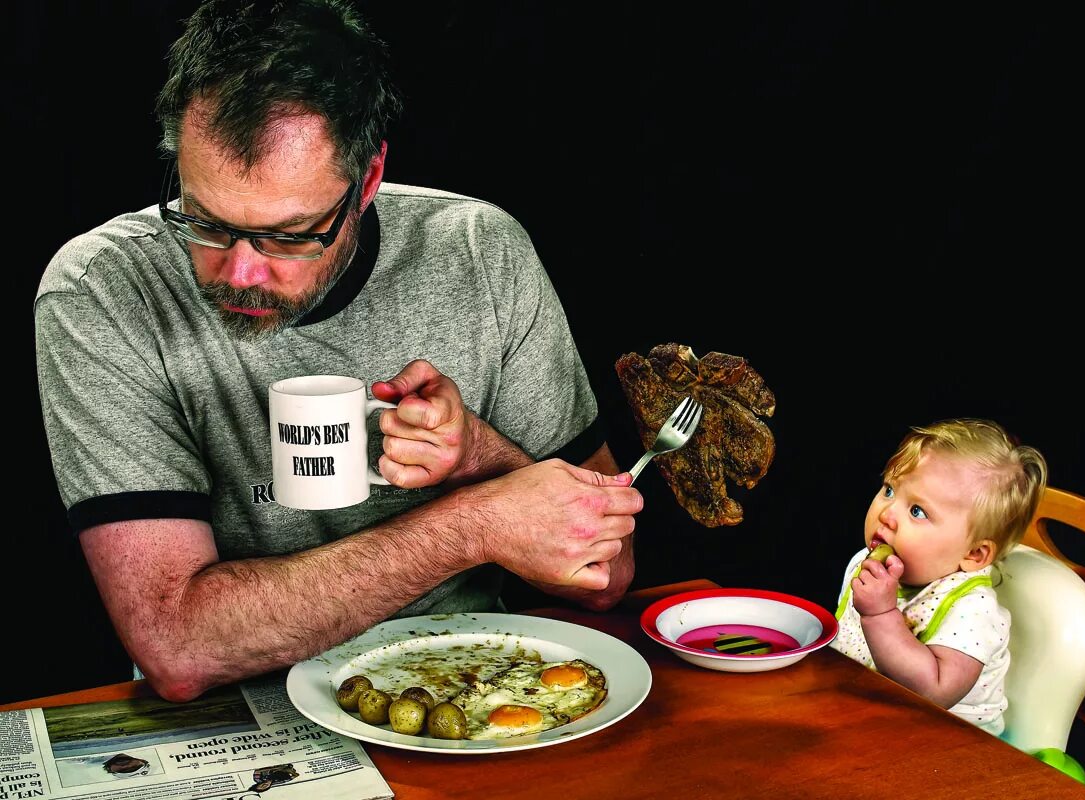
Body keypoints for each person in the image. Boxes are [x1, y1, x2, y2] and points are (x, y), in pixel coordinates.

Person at [34, 0, 641, 703]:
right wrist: (472, 526)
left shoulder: (480, 249)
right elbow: (178, 647)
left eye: (289, 235)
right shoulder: (101, 287)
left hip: (479, 693)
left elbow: (609, 575)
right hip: (238, 718)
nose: (241, 273)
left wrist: (482, 457)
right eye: (203, 222)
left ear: (369, 179)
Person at [831, 418, 1047, 735]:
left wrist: (880, 614)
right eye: (889, 490)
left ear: (973, 554)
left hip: (948, 743)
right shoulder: (865, 568)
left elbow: (935, 691)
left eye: (917, 511)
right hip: (870, 721)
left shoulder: (973, 610)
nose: (886, 514)